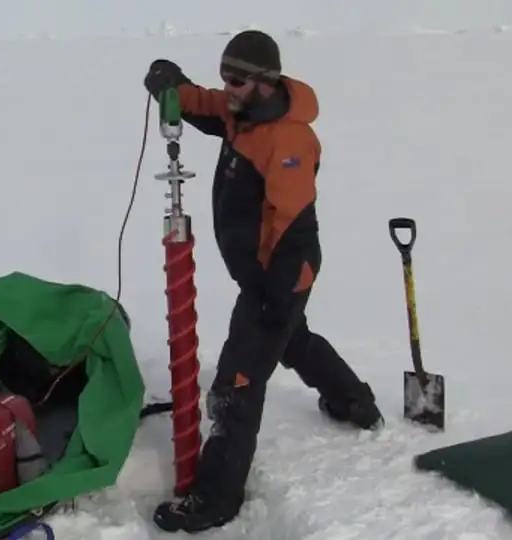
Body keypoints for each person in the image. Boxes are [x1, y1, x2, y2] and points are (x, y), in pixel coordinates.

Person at [142, 30, 385, 533]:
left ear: (264, 81)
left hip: (279, 273)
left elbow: (294, 227)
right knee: (292, 339)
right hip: (260, 271)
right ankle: (353, 401)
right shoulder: (243, 112)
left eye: (236, 80)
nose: (226, 88)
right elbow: (207, 106)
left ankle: (216, 497)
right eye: (223, 76)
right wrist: (172, 84)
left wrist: (273, 295)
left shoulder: (288, 139)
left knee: (238, 382)